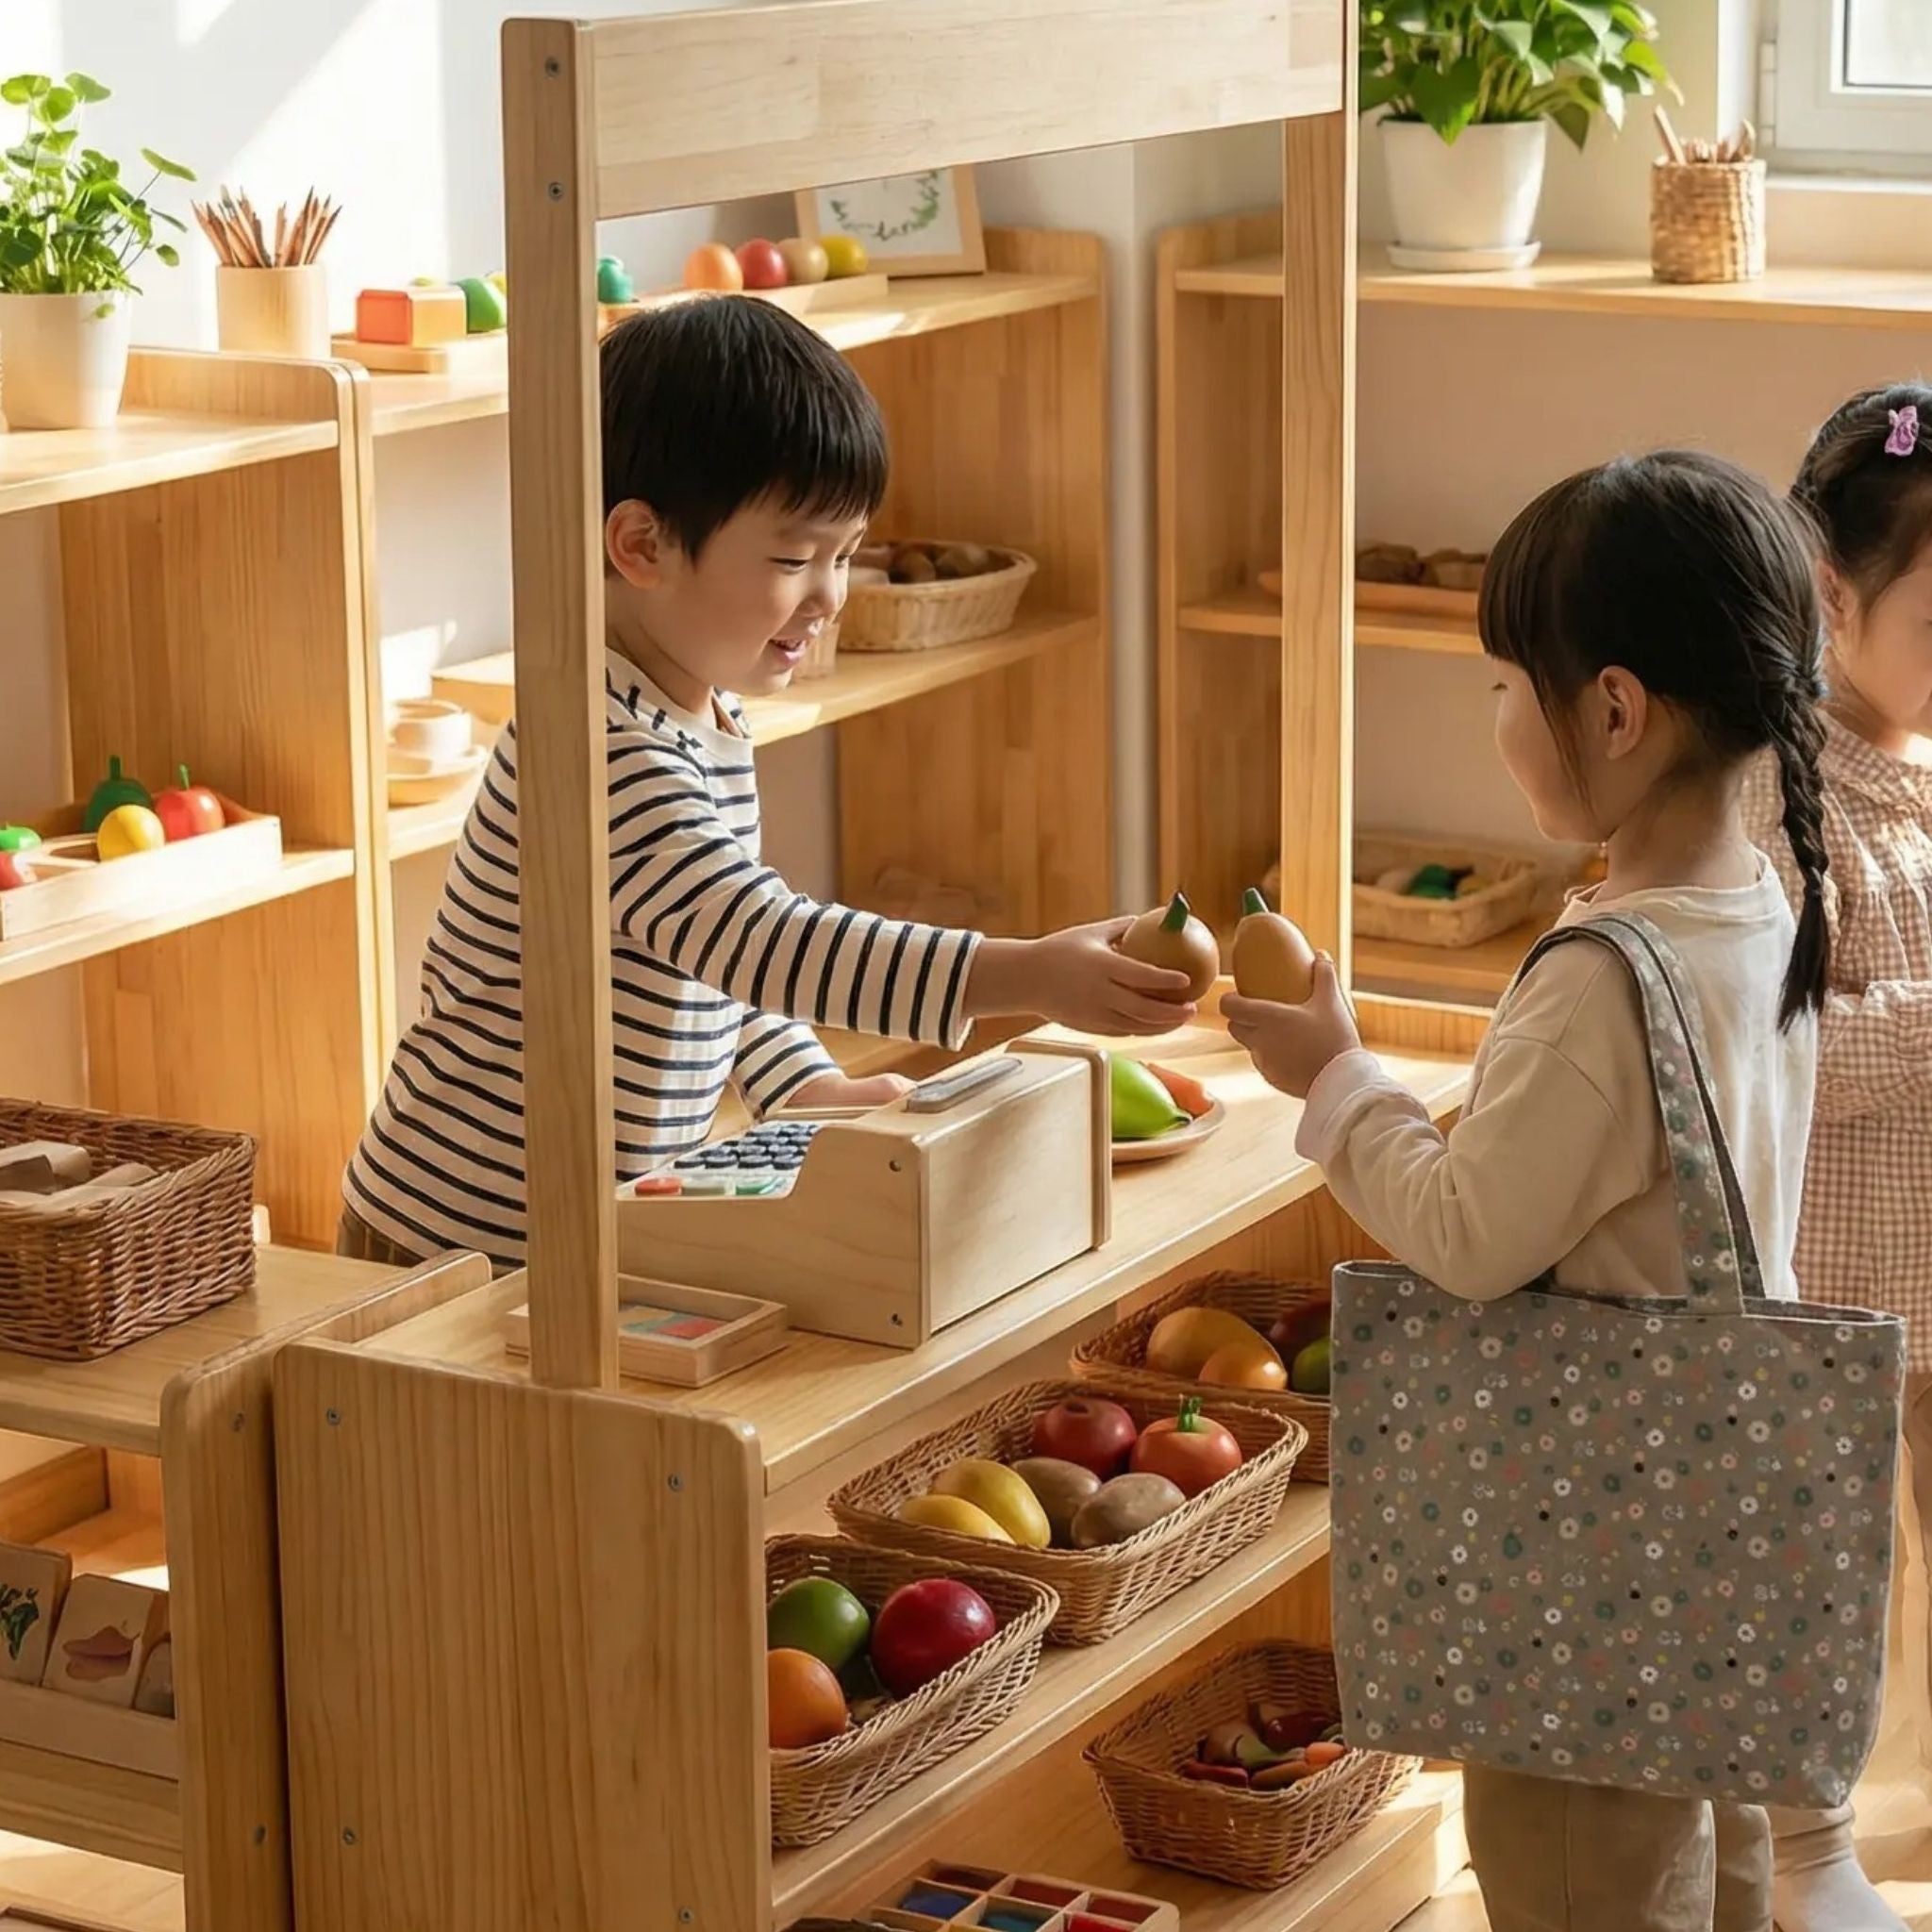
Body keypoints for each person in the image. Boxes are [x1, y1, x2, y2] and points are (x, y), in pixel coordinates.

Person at [1224, 451, 1832, 1932]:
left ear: (1615, 711)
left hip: (1584, 1566)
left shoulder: (1603, 979)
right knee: (1707, 1870)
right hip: (1715, 1531)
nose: (1495, 714)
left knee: (1578, 1878)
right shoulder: (1756, 908)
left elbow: (1468, 1237)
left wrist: (1335, 1079)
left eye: (1505, 683)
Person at [340, 296, 1191, 1268]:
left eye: (845, 554)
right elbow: (760, 940)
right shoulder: (598, 749)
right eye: (794, 558)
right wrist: (1023, 973)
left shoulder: (694, 716)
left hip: (573, 1229)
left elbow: (709, 961)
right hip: (450, 1238)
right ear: (642, 546)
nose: (829, 596)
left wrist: (800, 1082)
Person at [1740, 384, 1932, 1932]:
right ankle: (1819, 1860)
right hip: (1847, 1308)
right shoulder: (1782, 796)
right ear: (1833, 594)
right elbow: (1774, 1051)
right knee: (1832, 1607)